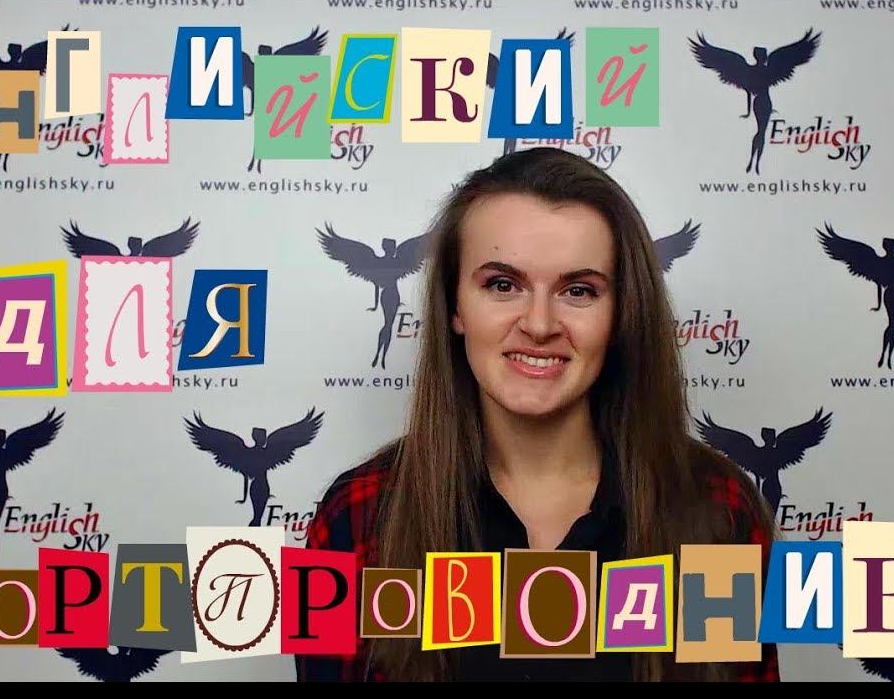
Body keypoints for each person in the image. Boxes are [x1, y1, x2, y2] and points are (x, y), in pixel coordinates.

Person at [295, 147, 779, 682]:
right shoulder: (356, 516)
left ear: (621, 314)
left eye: (579, 291)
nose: (540, 324)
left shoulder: (716, 508)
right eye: (502, 285)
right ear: (455, 307)